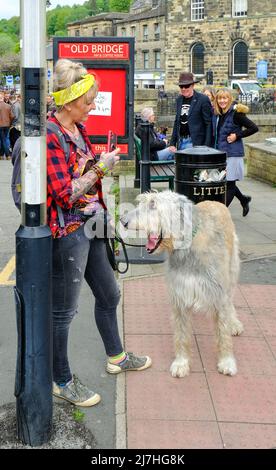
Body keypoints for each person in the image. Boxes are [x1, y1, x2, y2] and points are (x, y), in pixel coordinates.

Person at [48, 58, 152, 407]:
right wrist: (101, 168)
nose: (93, 106)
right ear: (71, 100)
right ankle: (60, 380)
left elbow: (88, 174)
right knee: (64, 311)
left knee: (109, 296)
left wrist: (99, 164)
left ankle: (117, 357)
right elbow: (64, 193)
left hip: (93, 224)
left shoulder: (79, 131)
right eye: (88, 101)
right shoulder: (50, 134)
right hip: (68, 231)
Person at [213, 88, 258, 216]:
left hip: (233, 153)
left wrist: (237, 135)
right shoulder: (219, 114)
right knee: (226, 181)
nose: (222, 101)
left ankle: (220, 213)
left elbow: (254, 128)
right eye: (220, 98)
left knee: (230, 184)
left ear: (230, 99)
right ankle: (244, 199)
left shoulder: (236, 114)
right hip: (222, 153)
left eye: (225, 98)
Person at [170, 72, 212, 150]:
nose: (183, 89)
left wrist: (207, 146)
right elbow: (177, 122)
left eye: (186, 86)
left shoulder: (202, 99)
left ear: (192, 85)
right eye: (181, 86)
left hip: (195, 143)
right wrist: (172, 143)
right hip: (181, 141)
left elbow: (208, 123)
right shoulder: (179, 99)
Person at [0, 91, 14, 159]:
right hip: (7, 125)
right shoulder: (8, 106)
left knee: (3, 140)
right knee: (4, 139)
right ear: (2, 98)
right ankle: (1, 155)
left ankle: (8, 155)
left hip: (0, 125)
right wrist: (10, 123)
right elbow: (12, 116)